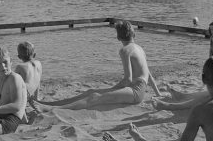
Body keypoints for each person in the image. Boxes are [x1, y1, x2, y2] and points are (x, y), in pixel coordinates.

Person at [34, 20, 162, 110]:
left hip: (135, 92)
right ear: (134, 34)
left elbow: (128, 79)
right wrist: (158, 93)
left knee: (95, 97)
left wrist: (112, 89)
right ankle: (50, 104)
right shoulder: (139, 48)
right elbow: (148, 74)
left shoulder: (125, 50)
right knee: (91, 91)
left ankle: (52, 109)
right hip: (138, 90)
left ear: (118, 38)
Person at [13, 41, 42, 107]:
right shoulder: (39, 63)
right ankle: (36, 98)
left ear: (19, 57)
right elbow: (38, 81)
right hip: (31, 93)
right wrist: (36, 98)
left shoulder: (20, 67)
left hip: (24, 96)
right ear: (34, 55)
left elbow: (11, 82)